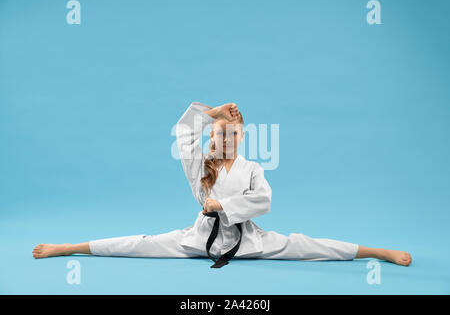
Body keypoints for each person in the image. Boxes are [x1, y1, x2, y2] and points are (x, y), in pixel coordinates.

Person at [32, 102, 412, 267]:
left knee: (304, 244)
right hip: (197, 239)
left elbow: (264, 200)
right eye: (218, 134)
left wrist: (223, 208)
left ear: (242, 137)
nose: (224, 140)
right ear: (212, 137)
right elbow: (184, 133)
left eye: (231, 134)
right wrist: (211, 112)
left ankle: (376, 251)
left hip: (248, 240)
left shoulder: (252, 168)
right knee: (138, 244)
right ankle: (69, 248)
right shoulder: (200, 164)